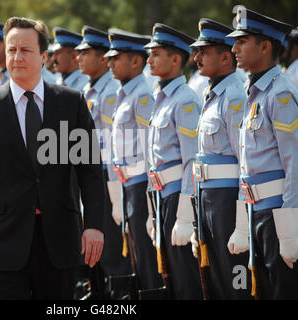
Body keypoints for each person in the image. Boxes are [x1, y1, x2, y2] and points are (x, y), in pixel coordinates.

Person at [0, 16, 105, 300]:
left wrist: (94, 226)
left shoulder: (71, 102)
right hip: (2, 242)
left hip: (59, 241)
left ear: (43, 56)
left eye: (25, 50)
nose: (16, 57)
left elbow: (90, 170)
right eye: (11, 49)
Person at [228, 7, 298, 299]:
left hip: (277, 215)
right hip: (255, 211)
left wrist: (291, 228)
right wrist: (242, 222)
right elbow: (247, 163)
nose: (234, 49)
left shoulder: (280, 94)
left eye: (242, 42)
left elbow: (294, 163)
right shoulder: (253, 93)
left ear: (265, 46)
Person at [190, 18, 251, 299]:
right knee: (213, 276)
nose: (197, 57)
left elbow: (244, 162)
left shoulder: (235, 95)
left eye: (204, 52)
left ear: (226, 58)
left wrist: (241, 223)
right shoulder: (211, 94)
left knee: (233, 277)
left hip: (227, 200)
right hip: (208, 197)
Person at [145, 23, 203, 299]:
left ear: (176, 59)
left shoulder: (185, 100)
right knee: (171, 279)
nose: (149, 60)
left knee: (185, 277)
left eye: (156, 54)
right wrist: (151, 209)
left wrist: (184, 215)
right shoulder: (162, 97)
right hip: (161, 197)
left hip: (177, 197)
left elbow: (192, 161)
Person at [75, 25, 131, 298]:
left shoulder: (110, 92)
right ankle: (97, 290)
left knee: (109, 241)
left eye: (86, 53)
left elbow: (112, 142)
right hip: (89, 172)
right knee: (90, 237)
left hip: (107, 175)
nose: (79, 58)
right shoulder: (87, 89)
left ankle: (114, 293)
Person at [105, 28, 162, 291]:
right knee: (136, 251)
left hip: (141, 185)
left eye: (117, 58)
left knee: (145, 253)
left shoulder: (142, 96)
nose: (110, 63)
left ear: (137, 61)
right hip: (127, 183)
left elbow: (149, 147)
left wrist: (151, 200)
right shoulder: (125, 93)